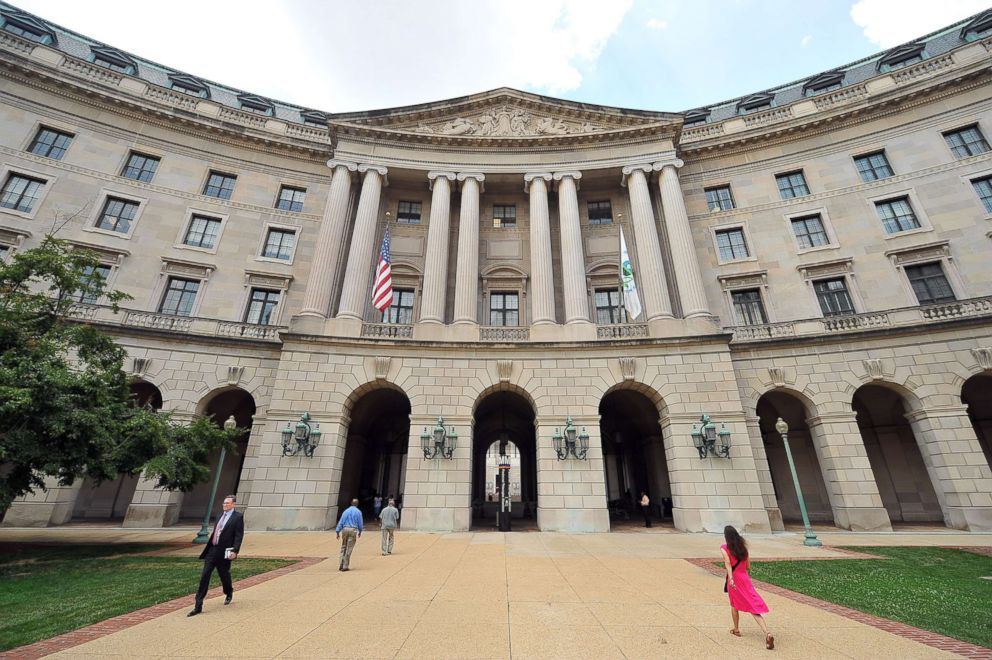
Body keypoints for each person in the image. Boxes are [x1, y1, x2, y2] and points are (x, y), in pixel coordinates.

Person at [188, 494, 244, 617]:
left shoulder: (238, 517)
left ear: (233, 504)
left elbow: (238, 536)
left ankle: (228, 592)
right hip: (212, 550)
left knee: (224, 575)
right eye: (224, 503)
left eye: (228, 503)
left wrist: (235, 551)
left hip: (224, 552)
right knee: (205, 576)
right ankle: (198, 605)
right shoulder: (219, 515)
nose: (225, 505)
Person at [721, 525, 774, 650]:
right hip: (745, 579)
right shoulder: (744, 549)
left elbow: (728, 564)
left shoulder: (724, 548)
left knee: (734, 604)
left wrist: (731, 578)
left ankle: (736, 629)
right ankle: (767, 633)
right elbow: (748, 566)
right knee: (753, 607)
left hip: (734, 580)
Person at [335, 498, 364, 571]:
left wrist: (338, 531)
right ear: (357, 504)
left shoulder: (346, 511)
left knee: (343, 547)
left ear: (351, 503)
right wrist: (360, 531)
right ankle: (345, 565)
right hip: (353, 530)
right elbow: (360, 523)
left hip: (345, 529)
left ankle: (341, 563)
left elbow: (341, 521)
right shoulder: (358, 512)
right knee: (349, 548)